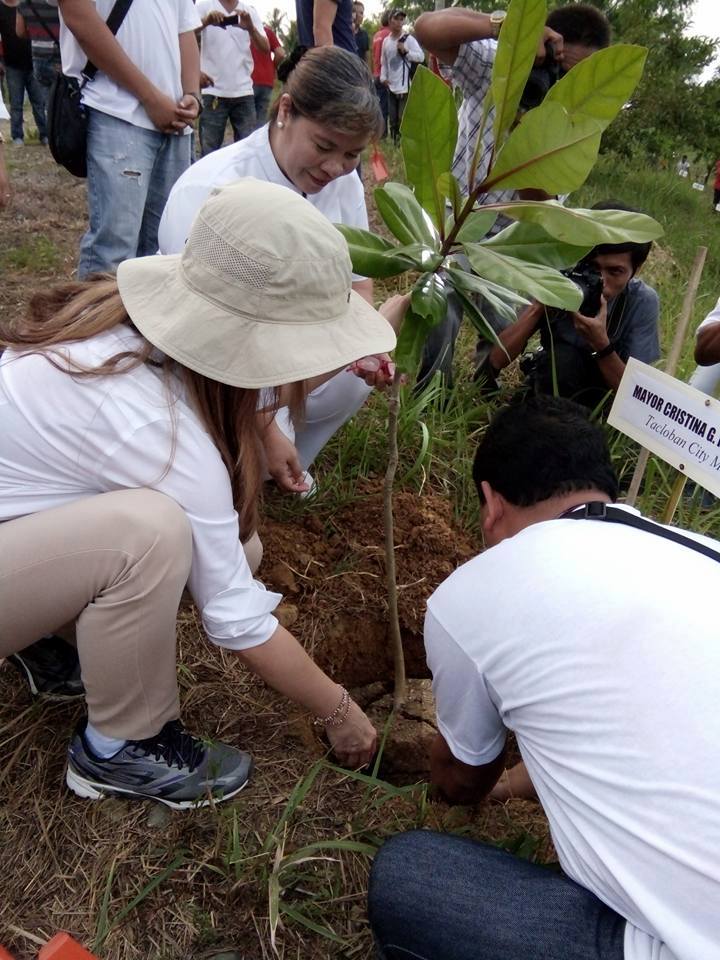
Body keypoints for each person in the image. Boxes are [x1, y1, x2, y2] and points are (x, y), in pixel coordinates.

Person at [0, 179, 399, 807]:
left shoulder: (135, 337)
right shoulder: (161, 432)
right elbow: (238, 622)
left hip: (18, 539)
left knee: (238, 554)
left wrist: (267, 427)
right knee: (150, 534)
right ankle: (122, 748)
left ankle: (47, 641)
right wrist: (341, 711)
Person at [369, 395, 720, 960]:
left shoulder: (473, 593)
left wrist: (452, 788)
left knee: (410, 874)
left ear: (490, 501)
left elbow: (462, 780)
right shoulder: (703, 554)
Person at [159, 46, 389, 494]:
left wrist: (364, 346)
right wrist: (266, 422)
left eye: (351, 155)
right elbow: (205, 337)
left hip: (287, 353)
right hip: (211, 362)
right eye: (324, 146)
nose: (334, 168)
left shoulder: (342, 183)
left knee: (353, 371)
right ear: (286, 109)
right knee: (223, 462)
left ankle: (280, 467)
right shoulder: (214, 187)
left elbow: (359, 282)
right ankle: (245, 458)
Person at [413, 3, 611, 386]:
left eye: (579, 78)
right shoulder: (501, 65)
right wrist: (505, 27)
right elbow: (427, 29)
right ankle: (431, 394)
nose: (563, 86)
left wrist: (528, 134)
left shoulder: (580, 121)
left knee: (503, 321)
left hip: (513, 235)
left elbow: (539, 201)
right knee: (439, 309)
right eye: (561, 71)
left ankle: (484, 386)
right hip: (457, 215)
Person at [55, 0, 202, 278]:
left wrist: (192, 93)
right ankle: (95, 322)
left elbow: (186, 31)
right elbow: (79, 17)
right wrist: (149, 96)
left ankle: (140, 323)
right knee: (113, 252)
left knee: (166, 251)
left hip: (176, 120)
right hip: (116, 111)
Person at [483, 200, 660, 408]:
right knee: (563, 360)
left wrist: (601, 345)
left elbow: (637, 398)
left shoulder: (641, 302)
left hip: (603, 400)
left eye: (615, 272)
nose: (601, 282)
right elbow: (496, 360)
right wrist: (539, 307)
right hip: (552, 383)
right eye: (591, 267)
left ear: (635, 270)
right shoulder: (563, 278)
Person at [196, 0, 268, 155]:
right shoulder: (204, 7)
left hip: (243, 91)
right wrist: (207, 22)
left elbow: (265, 48)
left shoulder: (248, 12)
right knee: (209, 153)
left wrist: (250, 28)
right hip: (213, 90)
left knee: (248, 153)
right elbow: (186, 33)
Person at [0, 0, 48, 145]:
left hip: (32, 61)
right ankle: (17, 136)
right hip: (12, 64)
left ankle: (45, 134)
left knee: (38, 102)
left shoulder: (27, 5)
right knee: (16, 103)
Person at [380, 9, 423, 145]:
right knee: (392, 119)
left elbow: (421, 56)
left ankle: (402, 144)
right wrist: (383, 77)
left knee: (402, 118)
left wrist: (406, 52)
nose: (399, 22)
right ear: (389, 21)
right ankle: (394, 142)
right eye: (396, 19)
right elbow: (384, 62)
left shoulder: (408, 39)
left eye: (401, 19)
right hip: (391, 85)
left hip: (404, 85)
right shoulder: (386, 42)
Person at [15, 0, 61, 94]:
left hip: (39, 57)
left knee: (47, 99)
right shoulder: (60, 2)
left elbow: (20, 32)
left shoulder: (23, 2)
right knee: (65, 99)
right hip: (60, 57)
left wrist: (37, 35)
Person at [251, 23, 284, 129]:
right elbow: (280, 53)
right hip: (266, 81)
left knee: (246, 121)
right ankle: (259, 144)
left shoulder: (242, 32)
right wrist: (272, 67)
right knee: (261, 119)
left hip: (248, 81)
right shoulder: (267, 32)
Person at [371, 9, 390, 137]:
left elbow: (373, 55)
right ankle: (382, 133)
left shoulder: (376, 35)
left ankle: (377, 131)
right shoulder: (389, 34)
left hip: (376, 73)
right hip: (385, 75)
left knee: (378, 105)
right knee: (386, 107)